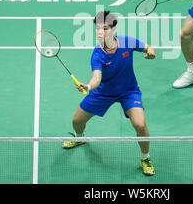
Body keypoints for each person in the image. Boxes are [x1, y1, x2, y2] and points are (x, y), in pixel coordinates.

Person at [62, 11, 157, 176]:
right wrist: (89, 87)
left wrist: (150, 51)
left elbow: (147, 47)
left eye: (104, 28)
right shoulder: (97, 54)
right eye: (97, 28)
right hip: (103, 92)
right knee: (76, 121)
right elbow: (96, 78)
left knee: (140, 125)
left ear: (113, 29)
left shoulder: (127, 42)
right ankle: (80, 137)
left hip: (128, 91)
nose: (99, 32)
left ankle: (145, 158)